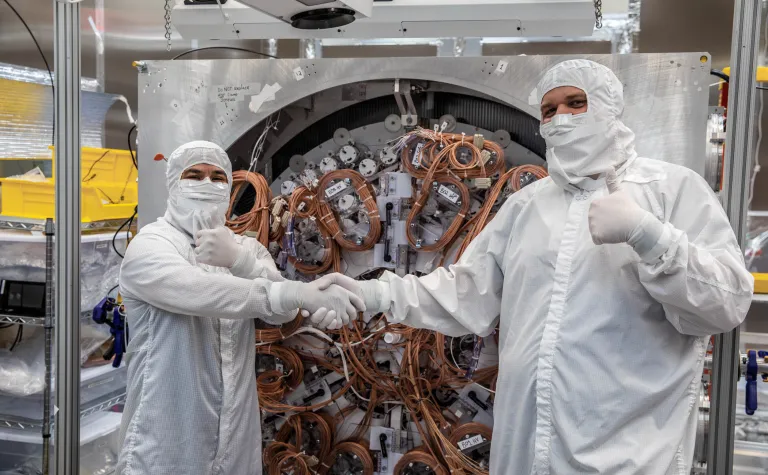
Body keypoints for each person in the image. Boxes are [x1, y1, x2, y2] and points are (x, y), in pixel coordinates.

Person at [339, 60, 754, 474]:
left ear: (609, 107)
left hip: (629, 456)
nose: (562, 118)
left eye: (577, 102)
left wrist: (647, 234)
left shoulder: (669, 189)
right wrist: (371, 293)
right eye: (550, 110)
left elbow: (726, 302)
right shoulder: (528, 205)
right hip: (523, 454)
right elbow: (464, 293)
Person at [116, 141, 364, 475]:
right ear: (174, 183)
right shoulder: (151, 245)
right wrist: (296, 293)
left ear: (229, 189)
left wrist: (239, 258)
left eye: (218, 177)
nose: (207, 184)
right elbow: (200, 291)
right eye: (194, 175)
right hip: (166, 441)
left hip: (236, 438)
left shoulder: (245, 248)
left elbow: (282, 314)